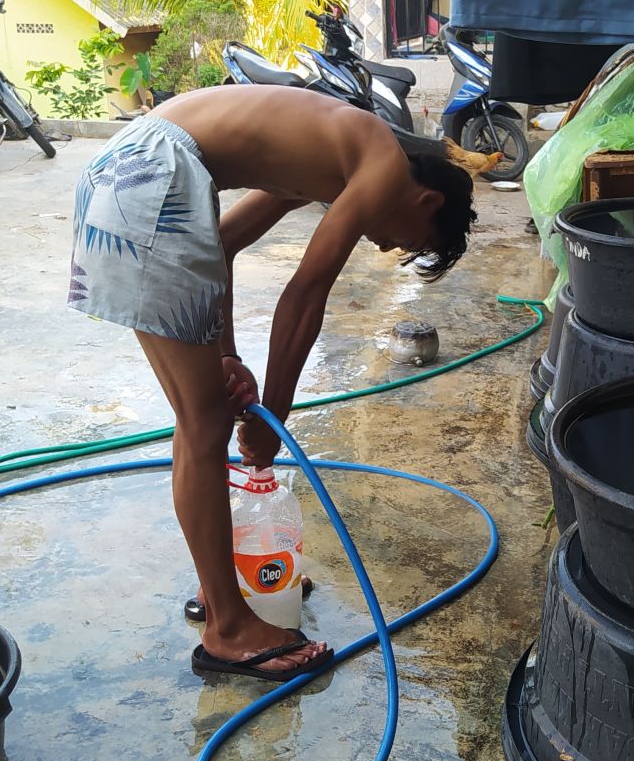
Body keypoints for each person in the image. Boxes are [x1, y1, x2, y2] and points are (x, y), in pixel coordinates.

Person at [67, 85, 476, 681]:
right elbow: (305, 294)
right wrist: (273, 421)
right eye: (411, 240)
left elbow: (224, 246)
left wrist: (228, 356)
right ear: (427, 198)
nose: (387, 245)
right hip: (157, 175)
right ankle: (228, 630)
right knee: (204, 424)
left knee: (200, 418)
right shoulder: (383, 164)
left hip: (126, 168)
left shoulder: (317, 164)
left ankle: (219, 595)